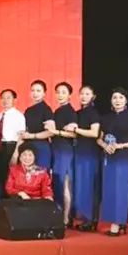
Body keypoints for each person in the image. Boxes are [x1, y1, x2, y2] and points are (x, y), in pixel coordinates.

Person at [98, 88, 128, 236]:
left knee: (121, 191)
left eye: (121, 97)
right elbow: (99, 138)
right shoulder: (105, 118)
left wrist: (121, 146)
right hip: (108, 157)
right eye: (114, 97)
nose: (117, 100)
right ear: (111, 100)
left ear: (126, 100)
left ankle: (117, 224)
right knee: (109, 190)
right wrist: (105, 145)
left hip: (124, 158)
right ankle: (120, 222)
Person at [49, 82, 79, 226]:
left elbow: (73, 134)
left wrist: (56, 132)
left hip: (65, 150)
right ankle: (61, 215)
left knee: (65, 183)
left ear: (69, 95)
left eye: (63, 92)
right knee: (58, 183)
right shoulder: (57, 111)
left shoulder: (70, 111)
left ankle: (67, 217)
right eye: (58, 92)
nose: (60, 95)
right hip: (56, 149)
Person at [73, 85, 102, 231]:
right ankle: (84, 218)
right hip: (79, 151)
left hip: (90, 152)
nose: (84, 96)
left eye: (87, 94)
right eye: (82, 94)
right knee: (81, 186)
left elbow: (94, 133)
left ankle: (91, 220)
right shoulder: (77, 113)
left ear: (93, 97)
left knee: (90, 186)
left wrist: (76, 129)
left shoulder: (93, 113)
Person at [20, 80, 55, 169]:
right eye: (33, 90)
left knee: (41, 174)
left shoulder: (46, 109)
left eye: (38, 91)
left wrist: (32, 136)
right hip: (28, 148)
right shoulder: (28, 110)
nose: (35, 93)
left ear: (44, 93)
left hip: (41, 147)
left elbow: (51, 132)